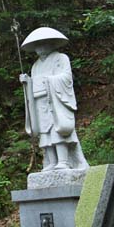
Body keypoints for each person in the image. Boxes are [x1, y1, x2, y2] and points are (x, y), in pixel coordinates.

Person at [19, 27, 88, 171]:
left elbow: (67, 77)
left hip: (55, 99)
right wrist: (27, 82)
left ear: (50, 44)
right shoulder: (36, 65)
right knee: (45, 132)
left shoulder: (61, 58)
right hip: (40, 101)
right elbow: (33, 84)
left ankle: (64, 161)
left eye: (42, 44)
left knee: (57, 129)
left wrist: (49, 80)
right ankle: (51, 161)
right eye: (37, 45)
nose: (39, 48)